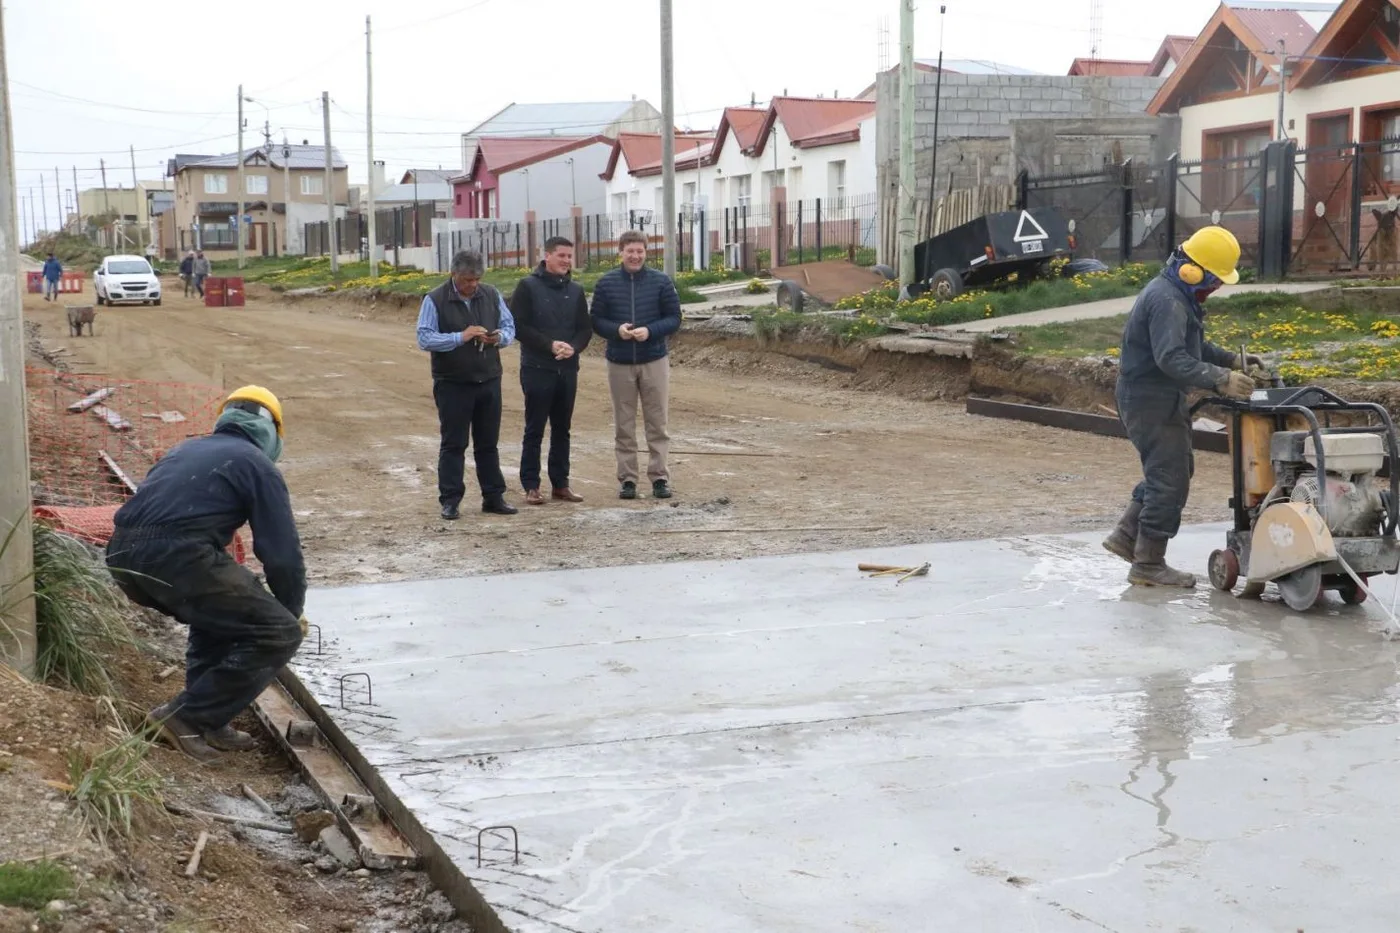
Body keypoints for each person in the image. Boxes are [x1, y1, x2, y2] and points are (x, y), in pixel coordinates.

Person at [106, 386, 305, 762]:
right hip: (176, 555)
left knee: (215, 614)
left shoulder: (183, 450)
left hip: (122, 555)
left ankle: (210, 722)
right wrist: (291, 610)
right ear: (272, 432)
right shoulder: (256, 464)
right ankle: (186, 718)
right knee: (278, 631)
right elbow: (281, 555)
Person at [1104, 226, 1259, 588]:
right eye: (1215, 280)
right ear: (1193, 270)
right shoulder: (1168, 300)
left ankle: (1127, 535)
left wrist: (1230, 361)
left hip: (1154, 396)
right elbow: (1171, 359)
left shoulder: (1176, 294)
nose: (1216, 288)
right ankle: (1148, 563)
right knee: (1169, 479)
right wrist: (1221, 379)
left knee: (1173, 470)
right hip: (1149, 399)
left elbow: (1192, 346)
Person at [416, 250, 518, 520]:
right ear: (454, 274)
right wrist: (460, 337)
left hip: (488, 379)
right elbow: (425, 338)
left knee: (488, 443)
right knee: (454, 444)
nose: (473, 285)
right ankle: (450, 500)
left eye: (477, 279)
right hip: (453, 383)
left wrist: (498, 338)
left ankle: (493, 496)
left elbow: (510, 327)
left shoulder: (491, 294)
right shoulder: (434, 299)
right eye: (467, 280)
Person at [589, 230, 682, 500]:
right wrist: (616, 330)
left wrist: (650, 331)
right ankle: (628, 479)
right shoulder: (606, 283)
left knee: (657, 422)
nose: (635, 256)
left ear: (646, 252)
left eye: (640, 251)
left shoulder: (661, 282)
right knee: (624, 423)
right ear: (620, 252)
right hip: (619, 362)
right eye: (630, 251)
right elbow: (596, 320)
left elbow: (674, 317)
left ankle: (660, 477)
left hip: (654, 359)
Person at [510, 236, 592, 505]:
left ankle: (561, 484)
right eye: (562, 256)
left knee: (562, 428)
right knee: (535, 428)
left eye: (570, 257)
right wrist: (549, 345)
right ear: (547, 256)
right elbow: (519, 327)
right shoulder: (528, 287)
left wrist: (574, 348)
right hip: (537, 367)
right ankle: (531, 485)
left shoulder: (576, 290)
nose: (567, 261)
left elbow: (584, 328)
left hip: (567, 369)